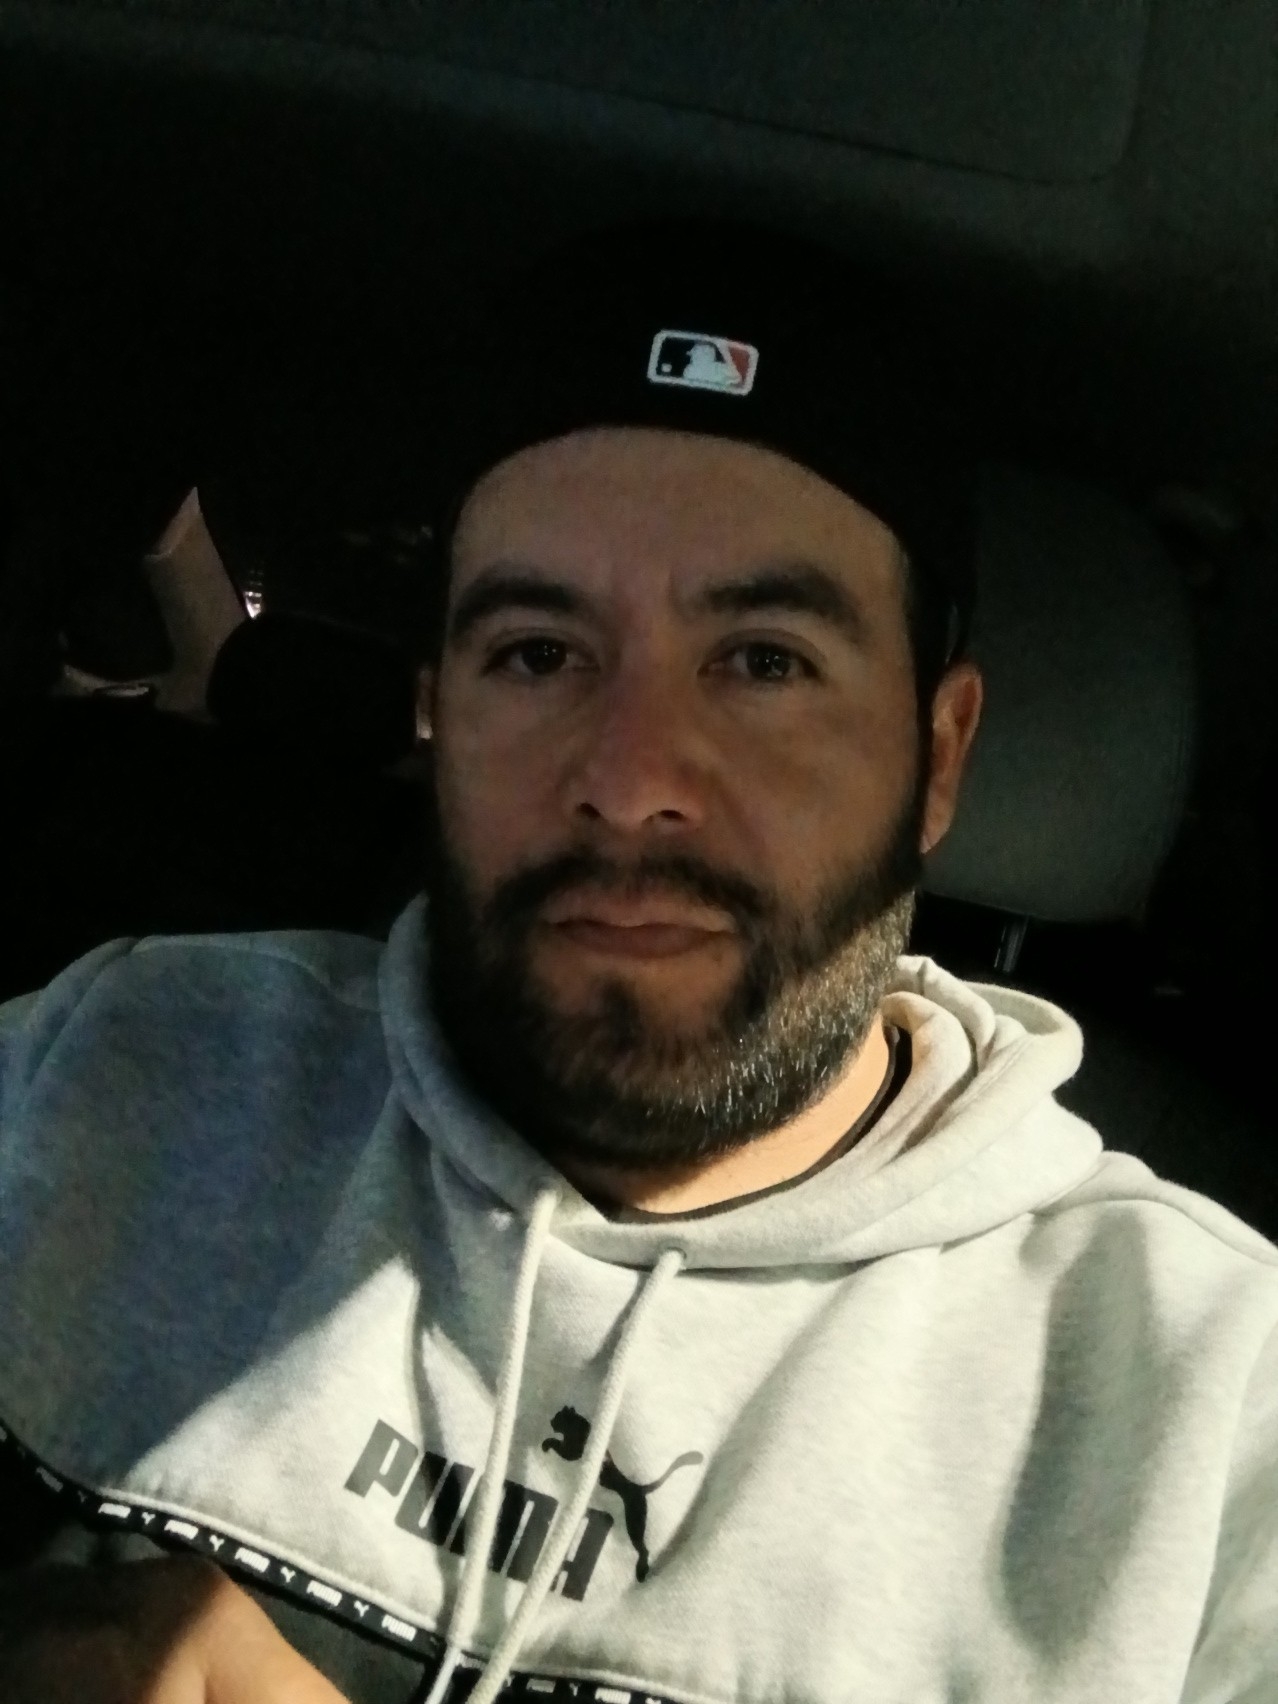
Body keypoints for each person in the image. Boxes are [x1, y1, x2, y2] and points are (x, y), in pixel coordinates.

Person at [1, 221, 1275, 1704]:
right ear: (438, 712)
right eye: (537, 653)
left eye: (764, 663)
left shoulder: (1207, 1409)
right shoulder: (97, 1071)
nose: (629, 780)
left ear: (937, 756)